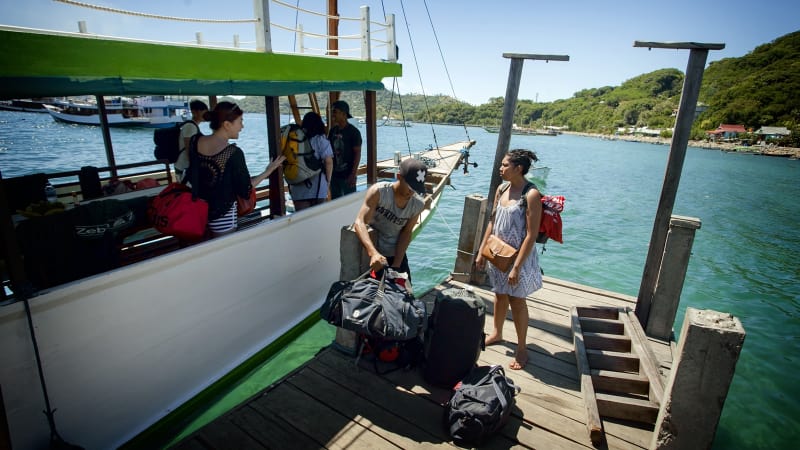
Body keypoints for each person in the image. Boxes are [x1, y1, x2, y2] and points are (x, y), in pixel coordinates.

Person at [475, 149, 544, 370]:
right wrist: (481, 251)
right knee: (499, 294)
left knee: (517, 300)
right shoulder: (502, 188)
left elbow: (531, 235)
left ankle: (522, 348)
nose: (500, 168)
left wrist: (516, 267)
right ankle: (497, 332)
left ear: (518, 168)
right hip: (498, 253)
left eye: (505, 165)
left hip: (518, 258)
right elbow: (491, 223)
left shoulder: (531, 194)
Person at [190, 102, 285, 236]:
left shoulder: (195, 141)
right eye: (240, 122)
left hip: (197, 213)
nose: (242, 127)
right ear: (227, 125)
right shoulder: (233, 153)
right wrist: (268, 171)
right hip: (222, 219)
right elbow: (245, 190)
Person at [353, 158, 428, 282]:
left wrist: (397, 265)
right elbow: (359, 222)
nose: (411, 192)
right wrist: (373, 253)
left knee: (404, 294)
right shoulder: (379, 192)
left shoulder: (418, 204)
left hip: (395, 254)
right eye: (410, 186)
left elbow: (406, 232)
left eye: (416, 188)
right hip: (371, 253)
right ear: (399, 177)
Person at [288, 111, 333, 211]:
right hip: (318, 187)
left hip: (298, 187)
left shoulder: (296, 140)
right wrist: (328, 181)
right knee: (317, 220)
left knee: (301, 221)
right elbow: (328, 161)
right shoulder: (321, 140)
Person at [328, 100, 362, 199]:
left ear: (343, 114)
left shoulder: (354, 132)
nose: (332, 114)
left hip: (347, 177)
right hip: (334, 176)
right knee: (335, 204)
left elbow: (357, 154)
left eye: (335, 111)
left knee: (349, 203)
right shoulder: (332, 131)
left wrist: (353, 174)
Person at [175, 99, 209, 180]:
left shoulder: (193, 126)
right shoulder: (190, 126)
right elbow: (189, 148)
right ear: (194, 112)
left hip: (185, 166)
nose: (205, 115)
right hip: (184, 167)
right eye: (203, 112)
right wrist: (193, 166)